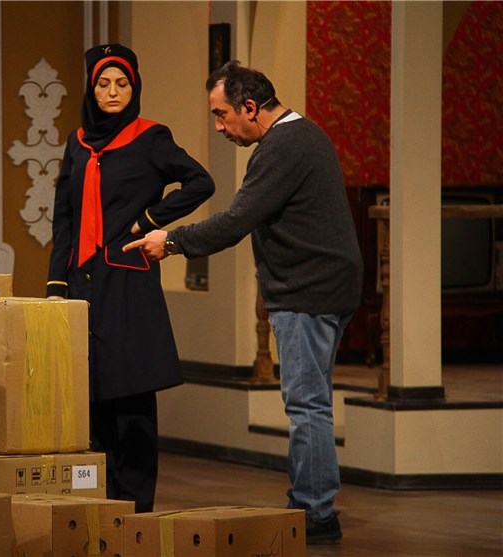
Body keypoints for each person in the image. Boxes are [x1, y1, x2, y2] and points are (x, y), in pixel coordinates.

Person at [124, 61, 363, 543]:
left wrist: (171, 241)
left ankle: (316, 513)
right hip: (324, 286)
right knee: (311, 402)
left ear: (250, 107)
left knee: (307, 406)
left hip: (309, 291)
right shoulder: (305, 135)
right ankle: (311, 506)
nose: (219, 127)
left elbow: (236, 221)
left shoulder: (283, 146)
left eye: (221, 114)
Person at [46, 43, 215, 513]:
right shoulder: (78, 142)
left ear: (134, 86)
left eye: (122, 83)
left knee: (132, 395)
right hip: (82, 283)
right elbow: (64, 218)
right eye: (103, 83)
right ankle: (97, 504)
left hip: (128, 281)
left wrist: (148, 221)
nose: (112, 92)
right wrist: (56, 284)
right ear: (91, 88)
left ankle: (136, 508)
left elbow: (200, 182)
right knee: (91, 395)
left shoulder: (150, 138)